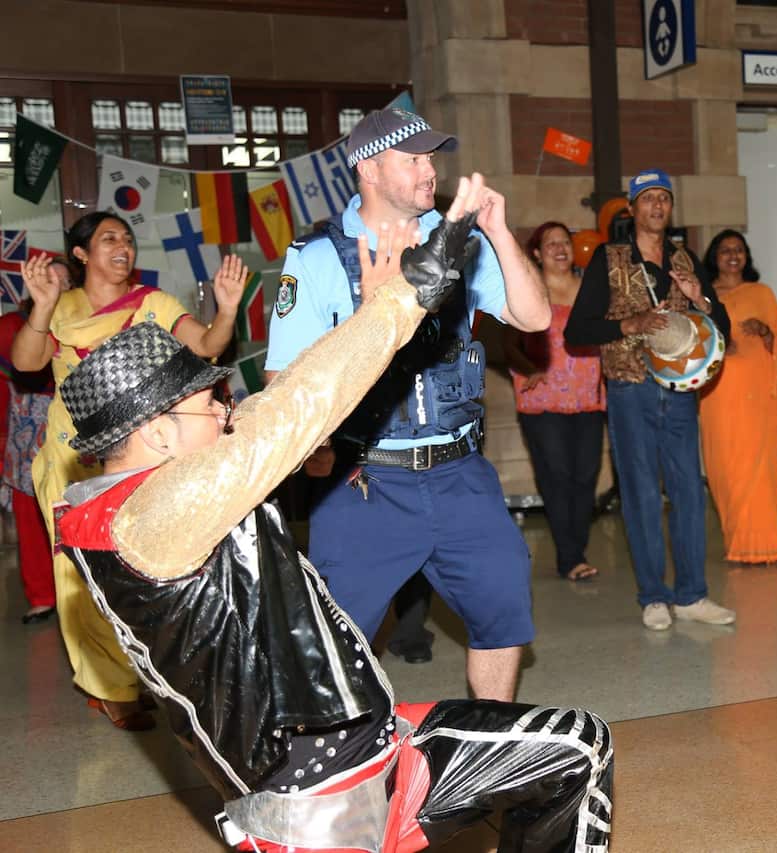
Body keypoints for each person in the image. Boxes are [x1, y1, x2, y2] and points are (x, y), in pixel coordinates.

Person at [55, 179, 613, 853]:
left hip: (367, 742)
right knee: (573, 749)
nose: (225, 410)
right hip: (326, 796)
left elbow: (277, 404)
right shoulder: (158, 517)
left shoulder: (134, 498)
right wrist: (400, 296)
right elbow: (291, 414)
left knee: (573, 748)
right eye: (208, 404)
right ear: (158, 434)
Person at [264, 107, 549, 701]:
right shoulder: (318, 259)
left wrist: (497, 229)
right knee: (337, 648)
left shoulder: (461, 248)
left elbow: (535, 317)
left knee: (503, 613)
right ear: (368, 168)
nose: (430, 170)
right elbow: (282, 383)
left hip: (460, 472)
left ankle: (486, 748)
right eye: (413, 158)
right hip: (364, 481)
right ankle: (344, 774)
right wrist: (372, 320)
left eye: (431, 157)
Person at [13, 213, 245, 730]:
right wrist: (43, 307)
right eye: (109, 239)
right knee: (80, 574)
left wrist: (226, 311)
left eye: (128, 239)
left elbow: (206, 345)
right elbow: (26, 363)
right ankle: (109, 686)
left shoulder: (152, 303)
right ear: (81, 254)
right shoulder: (62, 305)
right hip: (70, 457)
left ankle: (143, 669)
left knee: (140, 565)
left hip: (138, 457)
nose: (124, 247)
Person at [564, 168, 736, 630]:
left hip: (680, 391)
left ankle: (692, 595)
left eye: (664, 198)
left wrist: (701, 298)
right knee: (640, 493)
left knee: (687, 491)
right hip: (630, 388)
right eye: (648, 199)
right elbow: (577, 330)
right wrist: (629, 324)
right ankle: (653, 596)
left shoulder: (685, 259)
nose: (657, 206)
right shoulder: (609, 257)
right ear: (632, 207)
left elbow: (723, 327)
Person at [505, 221, 605, 582]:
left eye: (566, 242)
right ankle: (571, 556)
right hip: (542, 400)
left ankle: (574, 548)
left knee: (585, 476)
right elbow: (508, 344)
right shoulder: (530, 291)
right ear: (536, 253)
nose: (561, 248)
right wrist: (529, 367)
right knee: (557, 475)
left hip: (589, 398)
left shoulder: (591, 290)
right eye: (551, 244)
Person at [698, 230, 777, 565]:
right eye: (725, 250)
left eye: (738, 250)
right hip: (718, 396)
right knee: (725, 470)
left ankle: (764, 547)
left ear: (746, 256)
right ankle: (736, 543)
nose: (732, 255)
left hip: (759, 398)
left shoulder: (761, 293)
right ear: (715, 256)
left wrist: (766, 332)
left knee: (759, 472)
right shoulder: (704, 296)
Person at [0, 257, 71, 623]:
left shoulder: (83, 325)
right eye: (48, 280)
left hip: (72, 438)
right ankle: (42, 595)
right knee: (30, 519)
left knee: (74, 517)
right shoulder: (15, 326)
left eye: (63, 281)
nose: (55, 287)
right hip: (26, 438)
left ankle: (84, 598)